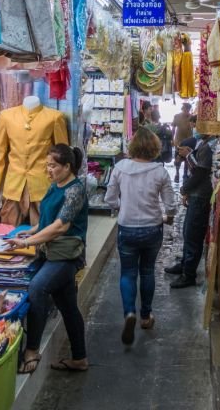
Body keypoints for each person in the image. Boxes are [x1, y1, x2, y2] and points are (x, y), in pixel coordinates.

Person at [10, 144, 90, 374]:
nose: (48, 170)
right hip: (52, 252)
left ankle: (32, 350)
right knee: (68, 307)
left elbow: (59, 226)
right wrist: (32, 230)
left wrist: (27, 242)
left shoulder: (75, 190)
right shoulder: (56, 186)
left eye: (53, 166)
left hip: (66, 256)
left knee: (37, 288)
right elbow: (48, 218)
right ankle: (79, 358)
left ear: (67, 166)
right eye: (47, 165)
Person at [105, 128, 178, 345]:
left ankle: (129, 312)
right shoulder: (160, 172)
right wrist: (170, 217)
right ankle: (146, 316)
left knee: (128, 273)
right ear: (154, 148)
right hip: (152, 228)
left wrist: (121, 207)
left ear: (133, 146)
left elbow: (110, 198)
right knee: (147, 272)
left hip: (126, 227)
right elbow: (170, 203)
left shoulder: (120, 168)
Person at [166, 130, 214, 289]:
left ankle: (189, 274)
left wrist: (188, 156)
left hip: (200, 197)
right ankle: (184, 265)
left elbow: (199, 173)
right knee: (187, 232)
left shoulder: (206, 149)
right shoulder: (202, 147)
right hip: (196, 195)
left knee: (193, 235)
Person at [172, 103, 193, 183]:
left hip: (189, 142)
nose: (186, 111)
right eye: (185, 109)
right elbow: (173, 128)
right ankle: (177, 173)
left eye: (188, 110)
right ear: (182, 109)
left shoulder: (192, 117)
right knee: (178, 160)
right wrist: (172, 139)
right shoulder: (177, 116)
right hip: (178, 142)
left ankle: (185, 175)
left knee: (187, 159)